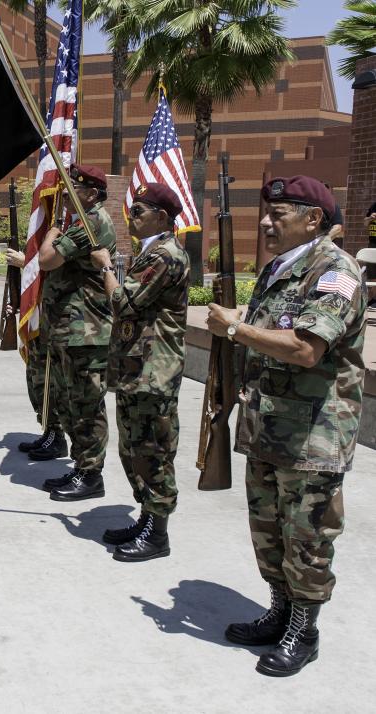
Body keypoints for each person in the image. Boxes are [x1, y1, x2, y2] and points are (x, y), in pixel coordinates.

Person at [207, 175, 364, 677]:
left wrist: (235, 328)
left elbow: (304, 348)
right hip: (268, 427)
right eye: (267, 213)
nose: (267, 222)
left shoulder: (335, 272)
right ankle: (279, 611)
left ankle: (305, 628)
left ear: (313, 219)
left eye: (280, 214)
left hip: (313, 435)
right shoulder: (281, 268)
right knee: (268, 531)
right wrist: (242, 320)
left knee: (308, 539)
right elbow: (271, 329)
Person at [90, 183, 190, 562]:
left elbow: (124, 302)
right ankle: (147, 517)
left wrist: (106, 269)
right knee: (133, 449)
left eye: (140, 211)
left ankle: (157, 533)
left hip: (155, 371)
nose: (132, 217)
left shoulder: (164, 255)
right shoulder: (150, 252)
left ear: (162, 217)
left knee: (154, 451)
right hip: (137, 368)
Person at [38, 165, 116, 501]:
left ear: (93, 194)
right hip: (71, 330)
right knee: (72, 402)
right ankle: (81, 467)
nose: (67, 192)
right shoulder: (82, 219)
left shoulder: (92, 221)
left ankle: (91, 475)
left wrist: (54, 228)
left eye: (76, 188)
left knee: (86, 404)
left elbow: (47, 260)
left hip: (86, 331)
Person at [5, 246, 69, 459]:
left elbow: (58, 269)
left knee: (47, 380)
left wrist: (26, 262)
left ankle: (56, 435)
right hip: (38, 318)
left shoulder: (60, 231)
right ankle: (49, 430)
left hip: (51, 319)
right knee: (35, 379)